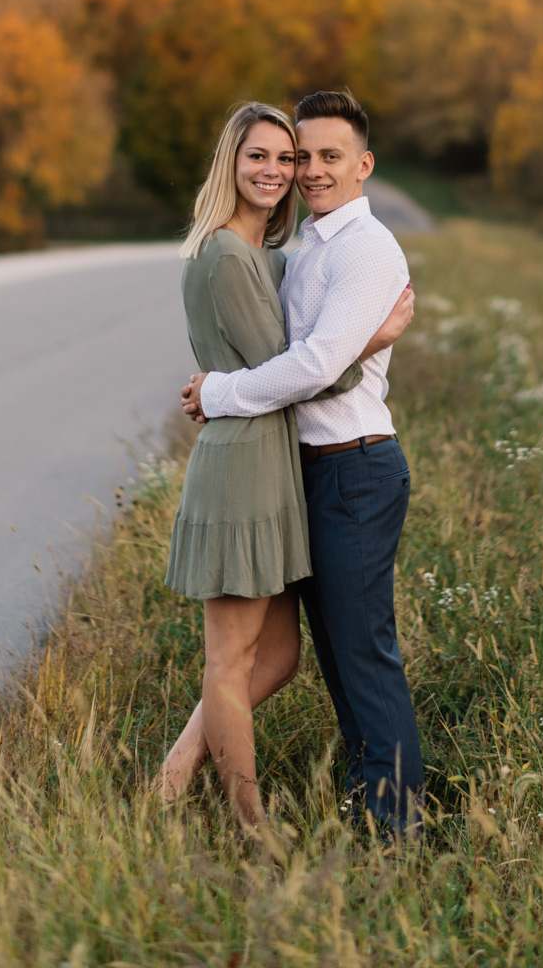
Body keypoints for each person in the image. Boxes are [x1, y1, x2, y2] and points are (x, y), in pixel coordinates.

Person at [158, 101, 412, 828]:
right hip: (276, 466)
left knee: (329, 658)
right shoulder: (272, 250)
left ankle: (391, 825)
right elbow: (304, 363)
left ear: (362, 165)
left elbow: (311, 362)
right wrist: (369, 341)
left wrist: (220, 390)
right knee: (271, 657)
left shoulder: (350, 248)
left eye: (307, 157)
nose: (294, 170)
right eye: (282, 157)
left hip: (345, 467)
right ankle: (247, 822)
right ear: (231, 165)